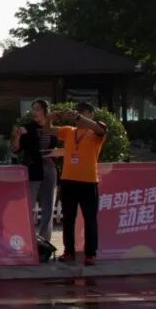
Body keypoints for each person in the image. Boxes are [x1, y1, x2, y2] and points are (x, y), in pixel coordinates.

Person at [54, 102, 108, 265]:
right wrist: (51, 117)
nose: (78, 115)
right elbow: (48, 129)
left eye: (82, 112)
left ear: (91, 114)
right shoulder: (69, 131)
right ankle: (68, 251)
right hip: (68, 181)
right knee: (68, 219)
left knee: (89, 219)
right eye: (77, 112)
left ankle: (90, 254)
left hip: (88, 182)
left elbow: (101, 130)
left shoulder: (96, 130)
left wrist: (79, 117)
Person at [12, 99, 59, 242]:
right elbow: (16, 149)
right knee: (28, 205)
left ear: (45, 111)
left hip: (49, 167)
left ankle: (45, 241)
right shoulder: (27, 128)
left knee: (48, 207)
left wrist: (56, 152)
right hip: (33, 167)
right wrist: (17, 137)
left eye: (38, 109)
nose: (35, 112)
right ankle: (25, 239)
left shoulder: (53, 129)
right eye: (33, 109)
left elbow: (55, 145)